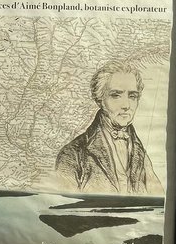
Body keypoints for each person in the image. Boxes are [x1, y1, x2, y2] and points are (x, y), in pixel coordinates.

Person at [54, 61, 160, 194]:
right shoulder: (72, 154)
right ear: (99, 99)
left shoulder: (140, 153)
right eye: (116, 95)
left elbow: (159, 204)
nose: (126, 105)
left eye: (132, 96)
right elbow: (64, 207)